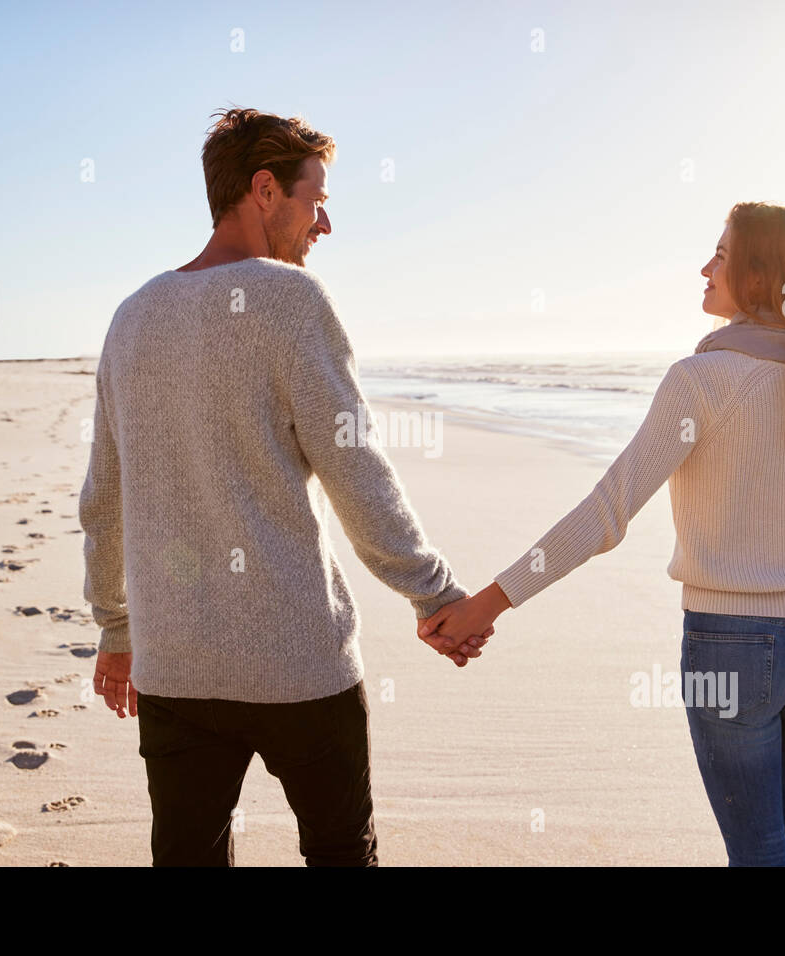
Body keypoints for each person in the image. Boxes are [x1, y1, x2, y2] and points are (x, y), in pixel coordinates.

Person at [417, 202, 785, 866]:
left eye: (720, 255)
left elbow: (608, 512)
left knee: (760, 849)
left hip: (732, 648)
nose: (704, 268)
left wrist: (485, 603)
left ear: (757, 275)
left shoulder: (702, 381)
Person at [79, 107, 489, 867]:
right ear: (264, 190)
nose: (324, 223)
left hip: (176, 666)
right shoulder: (289, 300)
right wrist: (434, 597)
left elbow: (104, 497)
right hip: (299, 663)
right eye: (315, 198)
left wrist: (116, 631)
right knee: (341, 855)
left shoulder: (131, 318)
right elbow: (355, 469)